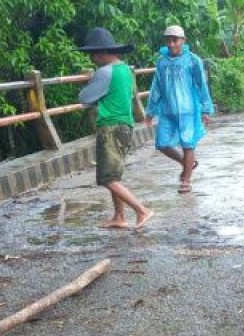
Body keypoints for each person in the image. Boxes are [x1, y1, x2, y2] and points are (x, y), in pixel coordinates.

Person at [77, 27, 152, 229]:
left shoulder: (105, 72)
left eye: (92, 53)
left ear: (101, 53)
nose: (92, 58)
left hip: (110, 126)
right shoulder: (125, 70)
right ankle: (119, 216)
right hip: (125, 126)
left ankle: (142, 210)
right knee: (114, 174)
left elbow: (84, 99)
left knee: (107, 178)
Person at [144, 25, 215, 194]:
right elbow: (157, 88)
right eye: (168, 40)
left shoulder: (193, 60)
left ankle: (186, 179)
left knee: (187, 144)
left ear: (183, 40)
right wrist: (150, 112)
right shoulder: (161, 62)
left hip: (188, 110)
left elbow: (201, 85)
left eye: (174, 40)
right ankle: (187, 162)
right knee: (162, 143)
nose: (171, 43)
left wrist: (206, 109)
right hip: (168, 110)